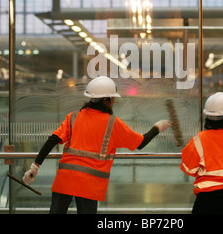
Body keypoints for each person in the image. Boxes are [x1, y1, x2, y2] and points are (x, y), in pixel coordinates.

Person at [23, 76, 171, 214]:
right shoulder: (113, 123)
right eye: (112, 98)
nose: (113, 101)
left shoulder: (74, 117)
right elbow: (140, 143)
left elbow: (52, 140)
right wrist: (157, 127)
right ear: (106, 100)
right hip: (89, 185)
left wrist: (35, 166)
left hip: (65, 180)